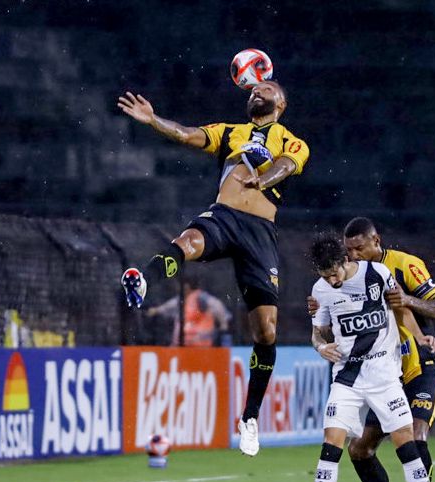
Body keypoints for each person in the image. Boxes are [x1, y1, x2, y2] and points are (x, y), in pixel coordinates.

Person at [117, 81, 309, 456]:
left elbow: (287, 166)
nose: (256, 92)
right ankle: (144, 280)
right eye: (252, 90)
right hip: (224, 216)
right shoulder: (230, 133)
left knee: (266, 330)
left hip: (259, 232)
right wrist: (153, 119)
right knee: (188, 242)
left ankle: (250, 417)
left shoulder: (291, 140)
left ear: (281, 102)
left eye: (266, 88)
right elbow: (188, 135)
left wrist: (262, 178)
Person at [301, 232, 435, 482]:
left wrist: (419, 338)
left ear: (346, 261)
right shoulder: (321, 290)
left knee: (407, 444)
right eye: (324, 275)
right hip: (347, 378)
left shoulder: (379, 274)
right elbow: (318, 332)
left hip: (384, 377)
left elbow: (401, 309)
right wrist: (320, 346)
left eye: (334, 272)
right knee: (332, 445)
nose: (332, 280)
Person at [146, 277, 232, 347]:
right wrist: (156, 310)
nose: (177, 288)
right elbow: (169, 306)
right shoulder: (182, 300)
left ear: (186, 286)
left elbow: (218, 307)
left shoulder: (201, 298)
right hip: (184, 343)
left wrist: (223, 326)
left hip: (199, 344)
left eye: (179, 285)